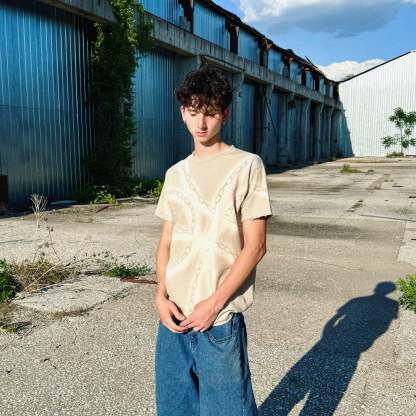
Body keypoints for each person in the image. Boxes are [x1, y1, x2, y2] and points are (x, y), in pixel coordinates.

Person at [153, 64, 273, 416]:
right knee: (174, 408)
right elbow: (166, 241)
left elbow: (256, 246)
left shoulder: (247, 165)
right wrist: (160, 295)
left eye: (210, 113)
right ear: (182, 113)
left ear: (225, 114)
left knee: (227, 409)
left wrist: (214, 303)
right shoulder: (175, 173)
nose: (201, 124)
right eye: (194, 113)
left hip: (218, 317)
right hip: (174, 315)